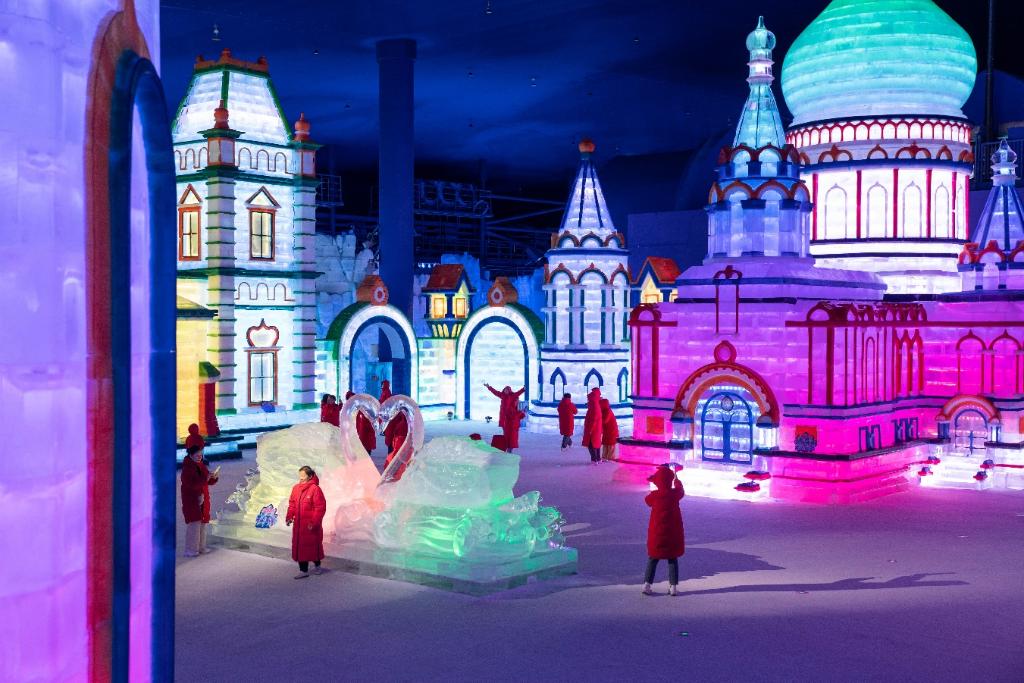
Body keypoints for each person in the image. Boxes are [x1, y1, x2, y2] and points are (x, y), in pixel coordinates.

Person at [642, 465, 685, 596]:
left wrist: (654, 482)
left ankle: (647, 585)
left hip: (657, 535)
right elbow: (680, 490)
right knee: (672, 559)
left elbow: (647, 501)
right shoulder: (675, 495)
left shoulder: (654, 496)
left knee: (653, 558)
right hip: (672, 535)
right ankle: (673, 587)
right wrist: (676, 480)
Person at [286, 465, 326, 579]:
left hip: (310, 526)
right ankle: (303, 570)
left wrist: (314, 522)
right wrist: (289, 516)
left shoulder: (315, 489)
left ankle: (317, 565)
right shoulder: (296, 488)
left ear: (310, 476)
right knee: (300, 547)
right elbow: (292, 504)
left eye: (303, 475)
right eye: (300, 475)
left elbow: (320, 508)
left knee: (312, 546)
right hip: (299, 526)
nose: (301, 478)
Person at [180, 444, 218, 557]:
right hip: (192, 501)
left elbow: (207, 481)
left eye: (201, 455)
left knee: (203, 524)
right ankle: (191, 549)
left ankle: (201, 547)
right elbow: (193, 484)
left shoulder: (200, 465)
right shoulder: (187, 469)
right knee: (194, 525)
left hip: (203, 499)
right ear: (191, 455)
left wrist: (213, 477)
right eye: (197, 455)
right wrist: (205, 478)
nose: (199, 457)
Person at [485, 383, 525, 449]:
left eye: (507, 390)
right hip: (503, 417)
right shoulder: (502, 395)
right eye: (505, 390)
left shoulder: (512, 396)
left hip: (510, 416)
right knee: (505, 431)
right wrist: (488, 387)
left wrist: (523, 389)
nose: (506, 391)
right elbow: (495, 392)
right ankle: (506, 443)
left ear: (509, 391)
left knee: (510, 432)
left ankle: (510, 444)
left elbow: (518, 393)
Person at [379, 380, 408, 455]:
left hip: (394, 434)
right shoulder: (384, 392)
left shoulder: (386, 392)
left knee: (391, 443)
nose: (381, 386)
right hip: (392, 432)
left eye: (382, 384)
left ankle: (391, 454)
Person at [345, 391, 377, 455]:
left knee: (366, 448)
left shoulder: (363, 407)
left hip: (365, 432)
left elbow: (371, 419)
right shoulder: (349, 409)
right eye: (350, 399)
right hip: (355, 432)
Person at [582, 387, 604, 464]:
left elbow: (594, 419)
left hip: (593, 428)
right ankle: (598, 458)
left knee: (591, 444)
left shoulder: (594, 405)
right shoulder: (596, 403)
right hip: (597, 428)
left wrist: (590, 429)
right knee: (596, 444)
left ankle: (594, 459)